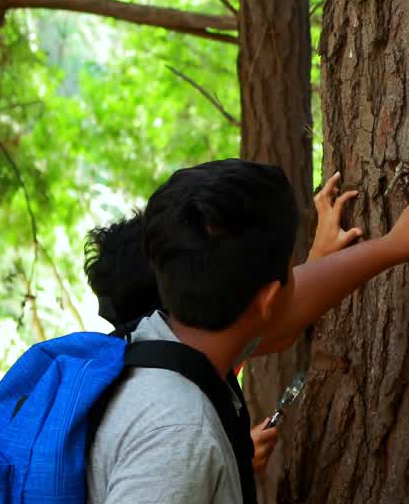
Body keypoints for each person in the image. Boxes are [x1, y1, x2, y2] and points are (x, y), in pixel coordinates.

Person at [31, 161, 409, 504]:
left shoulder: (164, 339)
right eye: (291, 268)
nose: (299, 274)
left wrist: (395, 246)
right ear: (266, 298)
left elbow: (286, 312)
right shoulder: (178, 433)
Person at [84, 172, 365, 475]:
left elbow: (280, 325)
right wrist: (228, 460)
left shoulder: (157, 352)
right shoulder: (175, 395)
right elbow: (280, 323)